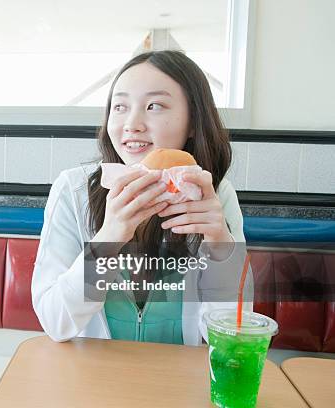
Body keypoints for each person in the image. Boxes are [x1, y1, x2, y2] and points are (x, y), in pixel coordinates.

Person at [31, 50, 252, 345]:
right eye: (120, 106)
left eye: (154, 106)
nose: (131, 123)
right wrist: (109, 236)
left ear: (194, 122)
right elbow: (55, 322)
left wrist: (221, 246)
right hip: (90, 378)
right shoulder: (73, 191)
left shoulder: (215, 196)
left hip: (178, 382)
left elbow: (232, 337)